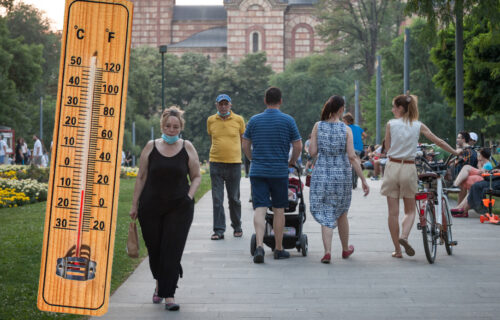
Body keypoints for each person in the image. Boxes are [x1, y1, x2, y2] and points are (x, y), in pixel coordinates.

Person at [129, 106, 201, 311]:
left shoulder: (187, 147)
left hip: (179, 208)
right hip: (150, 207)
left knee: (172, 249)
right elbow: (141, 176)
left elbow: (196, 176)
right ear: (162, 126)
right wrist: (134, 205)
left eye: (175, 127)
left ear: (181, 127)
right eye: (168, 126)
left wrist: (189, 196)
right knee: (155, 250)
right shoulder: (150, 146)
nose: (171, 130)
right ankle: (160, 282)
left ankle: (169, 294)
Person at [381, 93, 461, 259]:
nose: (392, 110)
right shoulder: (417, 125)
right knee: (410, 211)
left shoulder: (390, 124)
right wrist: (455, 152)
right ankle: (404, 236)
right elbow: (438, 141)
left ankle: (397, 250)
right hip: (409, 168)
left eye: (394, 107)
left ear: (401, 108)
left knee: (392, 213)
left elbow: (387, 148)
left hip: (392, 167)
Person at [242, 87, 302, 263]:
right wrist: (292, 161)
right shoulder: (288, 120)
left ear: (265, 100)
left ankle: (259, 246)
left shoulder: (254, 120)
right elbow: (298, 145)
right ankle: (278, 248)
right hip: (279, 171)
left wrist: (252, 158)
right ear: (281, 101)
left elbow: (245, 143)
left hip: (258, 170)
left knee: (260, 208)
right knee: (279, 209)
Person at [309, 96, 369, 264]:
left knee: (326, 212)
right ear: (341, 109)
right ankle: (344, 249)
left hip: (322, 173)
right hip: (341, 175)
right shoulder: (346, 129)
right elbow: (352, 156)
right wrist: (363, 180)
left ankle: (327, 252)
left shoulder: (318, 126)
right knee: (342, 212)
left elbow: (313, 152)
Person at [207, 94, 246, 240]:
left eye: (226, 104)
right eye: (220, 104)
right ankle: (218, 230)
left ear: (230, 105)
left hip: (234, 164)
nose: (223, 106)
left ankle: (237, 226)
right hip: (216, 163)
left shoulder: (239, 120)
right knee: (217, 198)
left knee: (234, 198)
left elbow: (243, 140)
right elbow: (212, 138)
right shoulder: (211, 120)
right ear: (216, 105)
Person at [451, 148, 493, 217]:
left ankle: (455, 185)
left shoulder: (487, 164)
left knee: (466, 167)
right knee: (466, 174)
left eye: (479, 154)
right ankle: (462, 209)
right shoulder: (485, 163)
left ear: (482, 155)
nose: (478, 156)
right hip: (480, 179)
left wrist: (479, 165)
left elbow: (482, 173)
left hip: (483, 180)